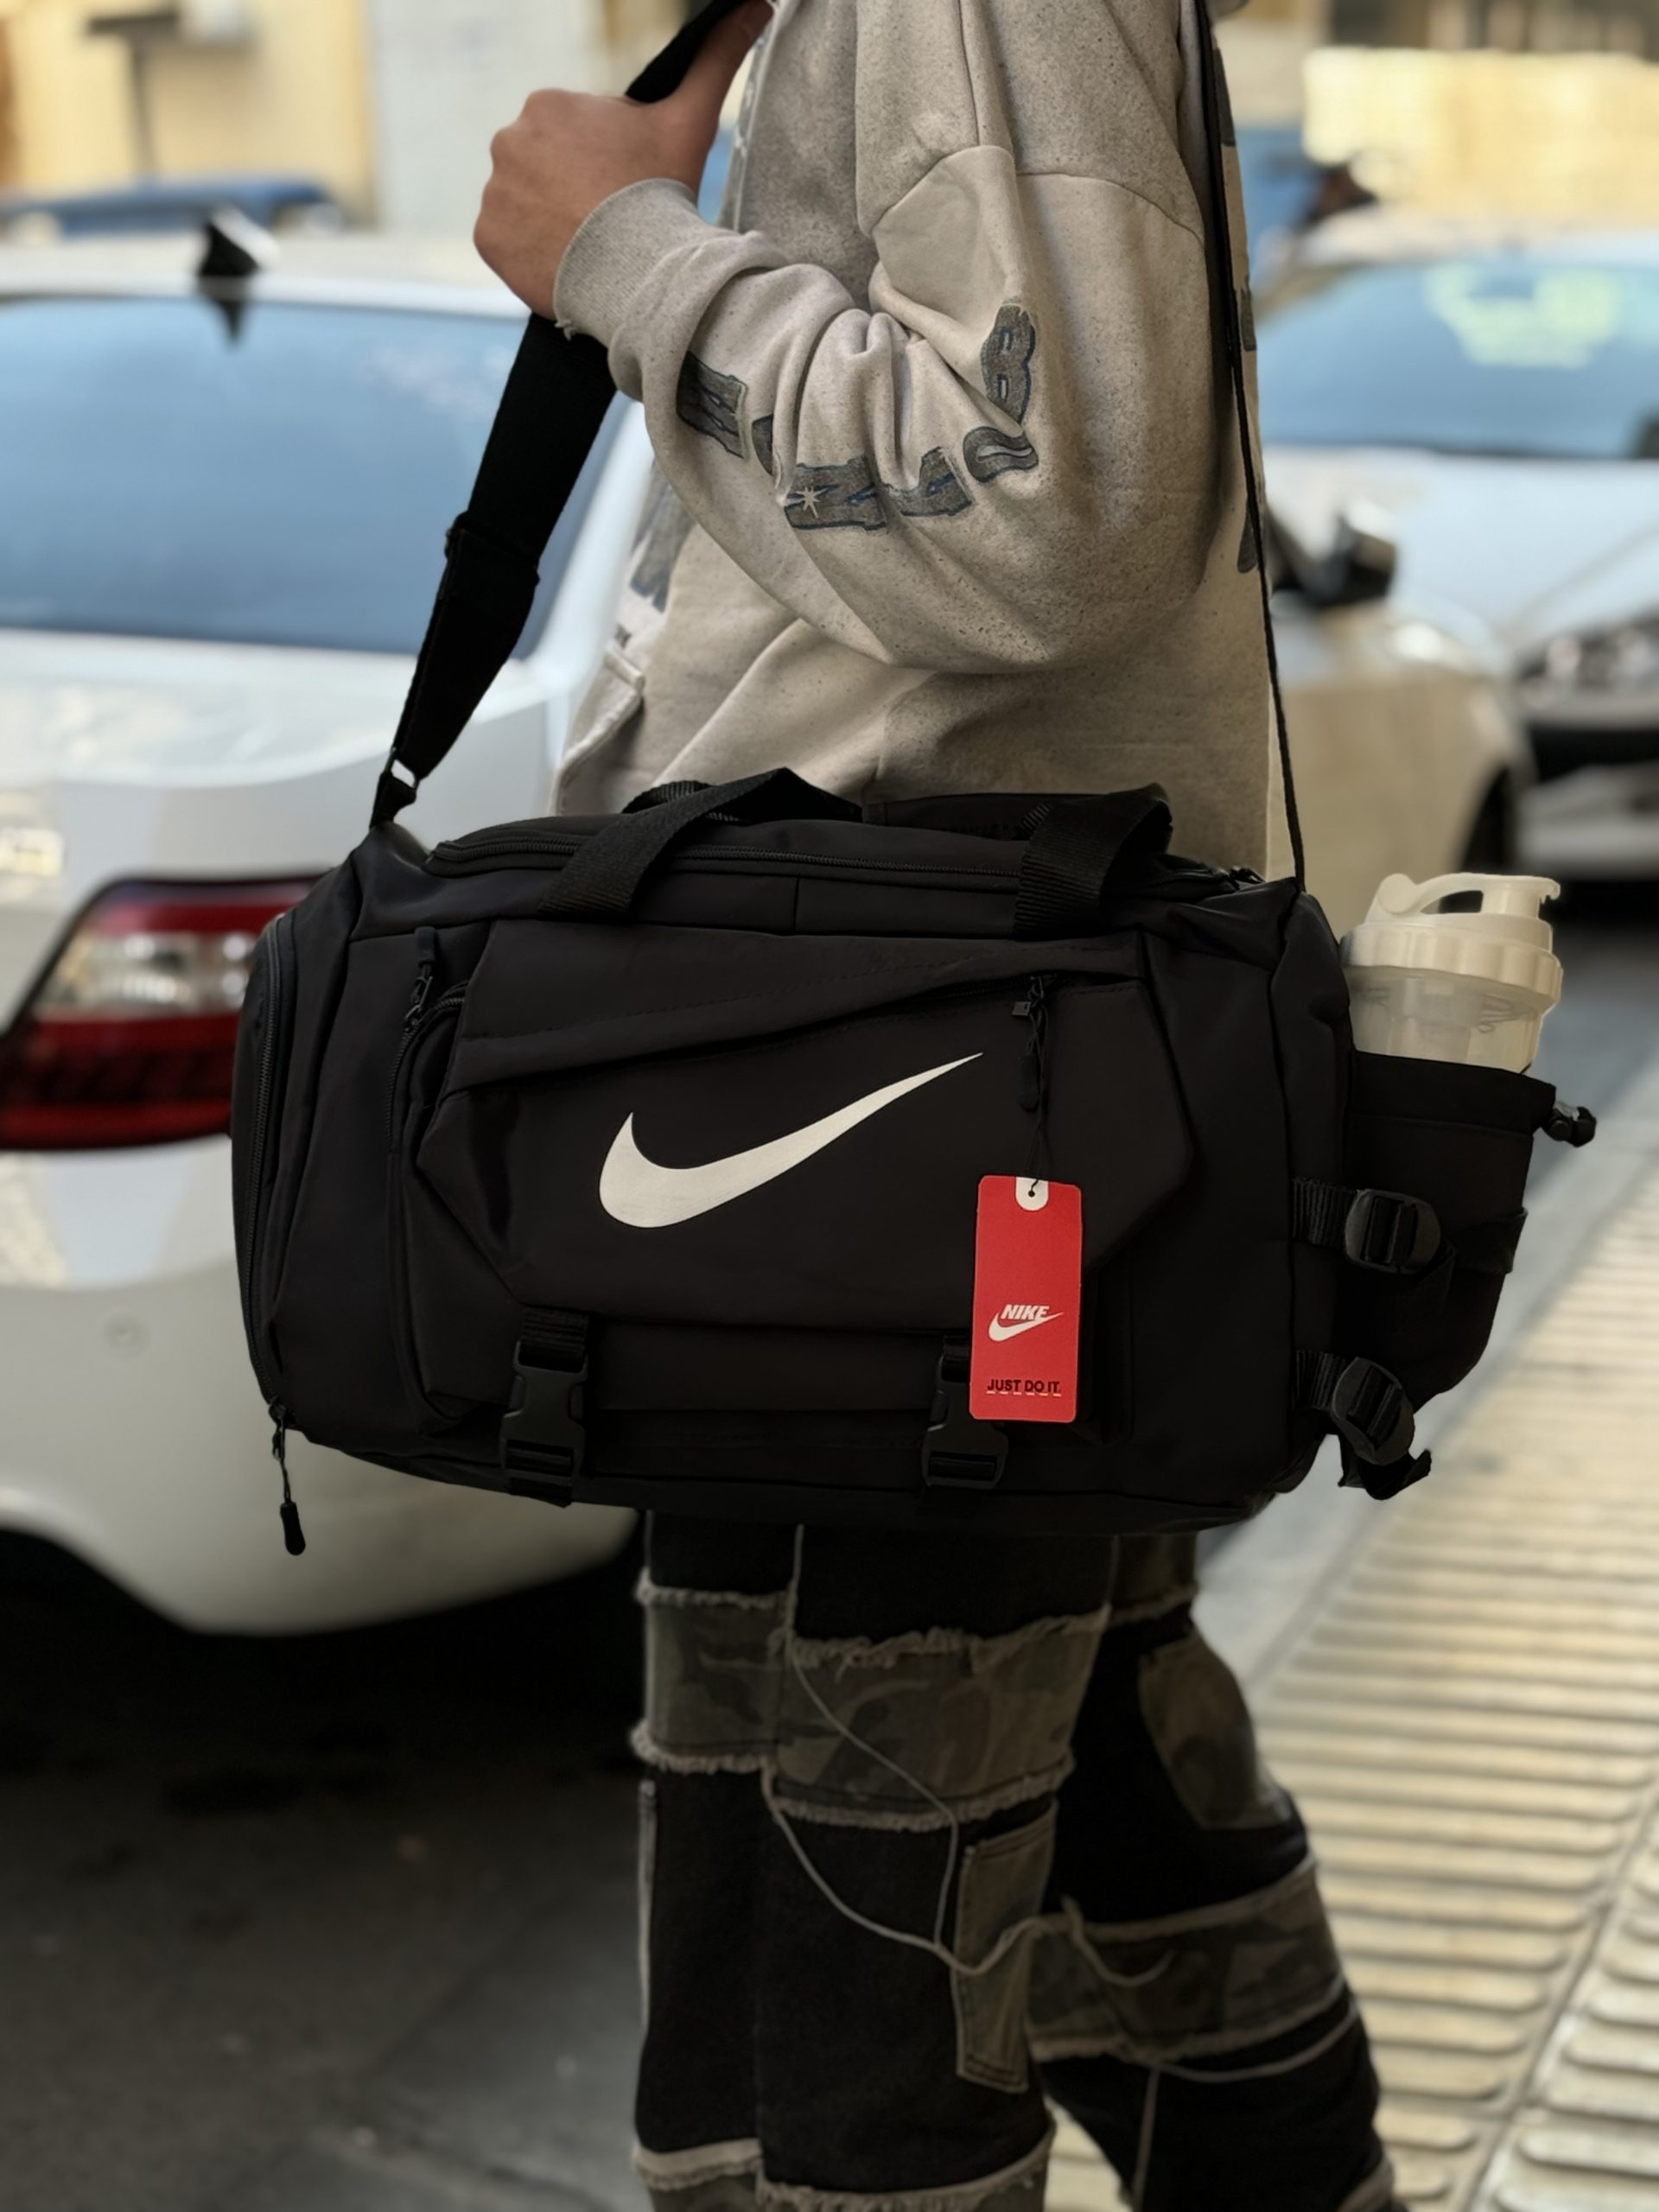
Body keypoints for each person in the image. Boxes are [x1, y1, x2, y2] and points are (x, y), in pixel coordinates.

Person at [474, 3, 1401, 2207]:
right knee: (1061, 1757)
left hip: (917, 1094)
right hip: (933, 1079)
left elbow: (1049, 509)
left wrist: (623, 252)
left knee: (860, 1904)